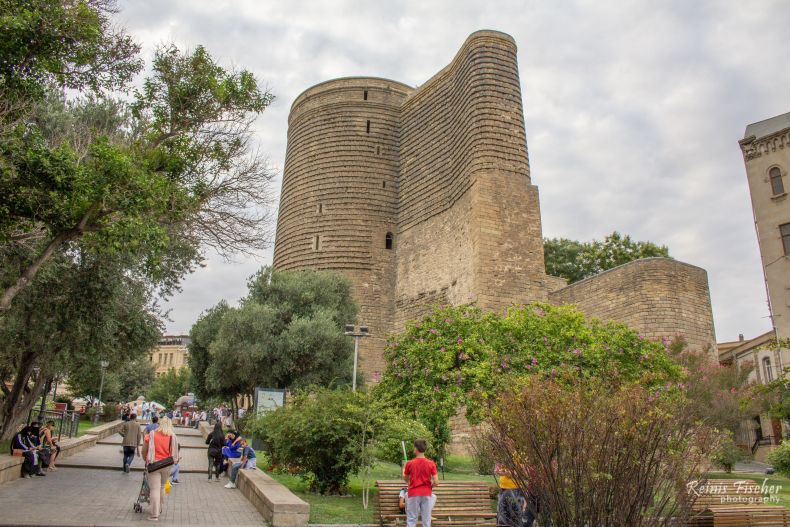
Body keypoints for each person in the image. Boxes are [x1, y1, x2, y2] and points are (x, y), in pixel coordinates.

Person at [142, 416, 179, 522]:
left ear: (160, 424)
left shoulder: (152, 434)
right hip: (167, 465)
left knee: (154, 489)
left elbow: (144, 450)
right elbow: (175, 451)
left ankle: (154, 515)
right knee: (162, 486)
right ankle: (159, 509)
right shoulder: (172, 436)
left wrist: (146, 460)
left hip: (154, 464)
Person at [403, 438, 438, 527]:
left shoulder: (409, 463)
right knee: (426, 519)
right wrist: (431, 485)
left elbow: (405, 477)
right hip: (426, 493)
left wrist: (408, 480)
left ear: (415, 448)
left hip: (413, 493)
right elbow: (436, 482)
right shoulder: (431, 463)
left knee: (411, 519)